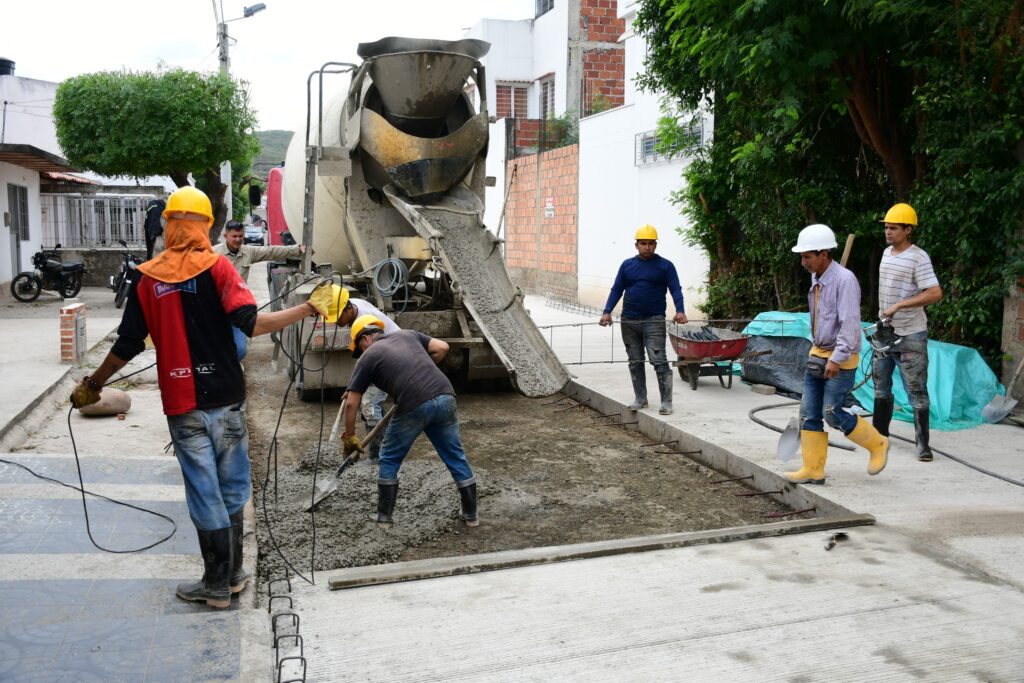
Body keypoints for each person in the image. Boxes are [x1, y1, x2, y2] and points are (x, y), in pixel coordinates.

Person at [69, 186, 334, 609]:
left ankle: (215, 585)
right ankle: (233, 575)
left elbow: (128, 344)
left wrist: (95, 383)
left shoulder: (146, 278)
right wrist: (306, 309)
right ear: (206, 226)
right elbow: (252, 324)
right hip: (227, 398)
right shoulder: (220, 268)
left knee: (203, 491)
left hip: (183, 404)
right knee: (232, 487)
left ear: (168, 226)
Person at [340, 315, 478, 529]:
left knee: (389, 458)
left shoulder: (368, 356)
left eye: (359, 348)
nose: (361, 353)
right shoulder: (407, 335)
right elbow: (442, 347)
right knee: (454, 455)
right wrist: (419, 373)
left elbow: (351, 403)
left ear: (365, 338)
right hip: (445, 395)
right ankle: (471, 515)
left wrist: (350, 437)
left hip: (414, 404)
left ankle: (384, 519)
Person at [787, 223, 889, 485]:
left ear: (823, 254)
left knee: (831, 412)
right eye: (802, 257)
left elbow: (850, 324)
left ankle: (877, 443)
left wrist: (836, 358)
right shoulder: (816, 278)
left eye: (807, 257)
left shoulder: (845, 280)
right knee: (808, 413)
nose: (803, 262)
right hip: (818, 352)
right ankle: (813, 469)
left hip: (839, 357)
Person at [872, 203, 943, 462]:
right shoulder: (886, 253)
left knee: (916, 389)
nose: (888, 232)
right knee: (881, 387)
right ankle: (878, 438)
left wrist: (901, 305)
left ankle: (923, 445)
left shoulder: (918, 257)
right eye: (886, 227)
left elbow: (935, 293)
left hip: (911, 334)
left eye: (893, 228)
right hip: (884, 332)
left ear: (908, 230)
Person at [598, 224, 688, 415]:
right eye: (643, 243)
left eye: (650, 243)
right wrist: (607, 312)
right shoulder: (627, 265)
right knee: (635, 360)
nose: (647, 247)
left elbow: (675, 289)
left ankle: (666, 403)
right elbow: (617, 289)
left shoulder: (665, 266)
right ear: (636, 245)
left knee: (659, 360)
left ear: (655, 245)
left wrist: (680, 310)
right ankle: (640, 399)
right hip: (629, 321)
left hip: (654, 320)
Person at [213, 219, 304, 360]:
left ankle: (232, 363)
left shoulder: (248, 252)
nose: (238, 239)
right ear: (226, 236)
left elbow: (271, 251)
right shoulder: (213, 253)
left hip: (236, 310)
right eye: (234, 236)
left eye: (240, 236)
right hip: (216, 309)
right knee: (215, 346)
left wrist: (297, 249)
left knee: (240, 350)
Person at [329, 287, 401, 462]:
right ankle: (383, 447)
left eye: (337, 318)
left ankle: (378, 457)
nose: (336, 323)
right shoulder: (354, 306)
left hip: (392, 358)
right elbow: (364, 358)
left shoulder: (365, 322)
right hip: (385, 355)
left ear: (347, 309)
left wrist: (356, 388)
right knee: (372, 406)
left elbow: (370, 358)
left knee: (369, 404)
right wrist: (352, 386)